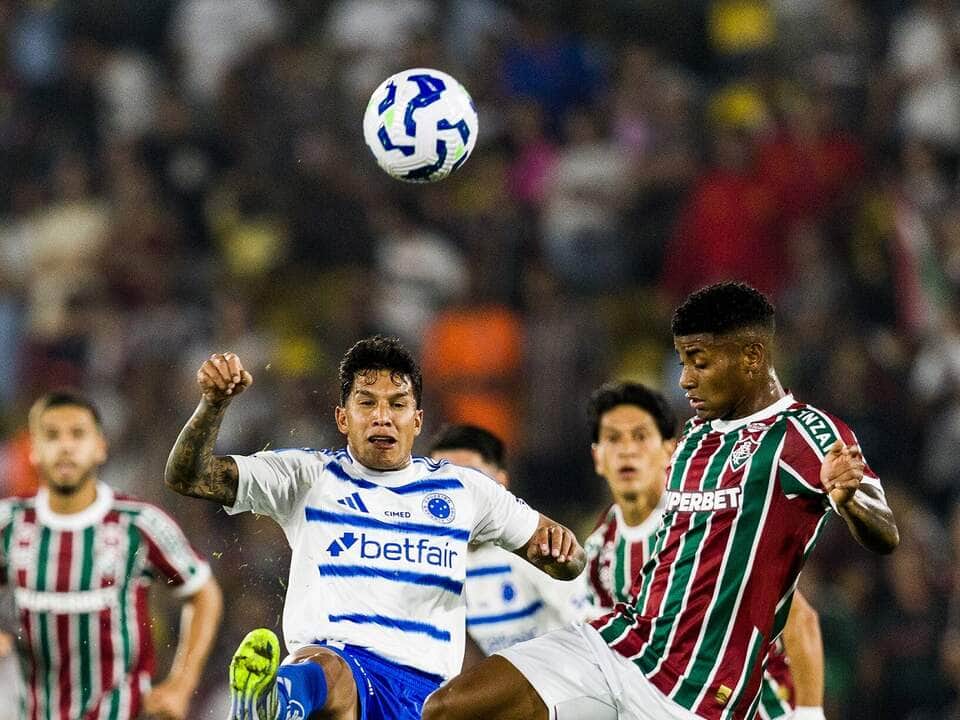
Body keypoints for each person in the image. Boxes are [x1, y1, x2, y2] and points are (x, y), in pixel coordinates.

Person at [422, 281, 899, 720]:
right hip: (620, 645)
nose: (685, 379)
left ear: (752, 357)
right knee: (448, 708)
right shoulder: (692, 439)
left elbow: (884, 533)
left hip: (697, 697)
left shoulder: (804, 434)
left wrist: (852, 497)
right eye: (682, 360)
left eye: (699, 360)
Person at [163, 335, 585, 720]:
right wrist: (212, 406)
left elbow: (565, 556)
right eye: (366, 403)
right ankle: (275, 703)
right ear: (343, 417)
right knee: (325, 669)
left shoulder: (464, 490)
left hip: (428, 698)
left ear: (417, 420)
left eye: (397, 404)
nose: (382, 417)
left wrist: (562, 557)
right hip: (336, 672)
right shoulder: (307, 476)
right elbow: (189, 477)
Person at [582, 381, 827, 720]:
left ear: (671, 450)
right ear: (597, 456)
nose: (627, 451)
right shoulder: (600, 551)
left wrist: (810, 715)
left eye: (640, 437)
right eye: (613, 439)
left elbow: (798, 617)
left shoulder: (709, 518)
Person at [0, 390, 223, 720]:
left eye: (77, 434)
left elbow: (203, 592)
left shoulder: (139, 523)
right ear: (33, 450)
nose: (65, 446)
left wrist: (181, 683)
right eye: (51, 435)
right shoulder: (9, 522)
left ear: (100, 447)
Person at [428, 424, 589, 666]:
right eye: (443, 481)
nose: (457, 493)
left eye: (471, 479)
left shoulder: (534, 549)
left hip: (556, 689)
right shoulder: (434, 560)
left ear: (499, 484)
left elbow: (588, 630)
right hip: (496, 694)